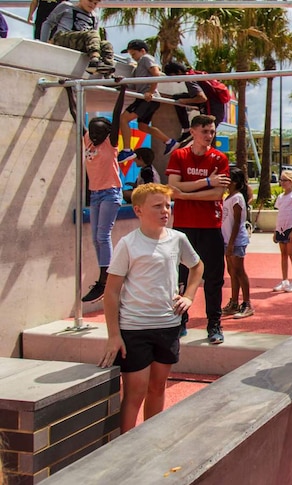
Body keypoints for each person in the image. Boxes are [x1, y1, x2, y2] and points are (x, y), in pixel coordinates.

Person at [98, 183, 203, 433]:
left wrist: (188, 296)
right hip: (134, 328)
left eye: (168, 205)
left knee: (157, 388)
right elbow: (111, 292)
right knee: (135, 392)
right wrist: (114, 335)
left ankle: (149, 441)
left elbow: (197, 267)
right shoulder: (128, 243)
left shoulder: (178, 239)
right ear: (138, 210)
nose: (165, 211)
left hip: (167, 325)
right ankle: (124, 447)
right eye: (157, 206)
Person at [166, 114, 229, 345]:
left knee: (214, 279)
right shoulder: (179, 155)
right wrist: (206, 182)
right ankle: (180, 321)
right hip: (183, 228)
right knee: (180, 277)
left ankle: (214, 324)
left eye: (212, 132)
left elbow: (217, 195)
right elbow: (172, 188)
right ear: (192, 132)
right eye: (205, 132)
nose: (209, 136)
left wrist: (186, 192)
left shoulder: (219, 158)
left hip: (211, 226)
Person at [81, 85, 127, 303]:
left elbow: (116, 115)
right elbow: (75, 117)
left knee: (102, 235)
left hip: (110, 192)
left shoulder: (111, 143)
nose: (96, 136)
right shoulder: (88, 140)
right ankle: (102, 279)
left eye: (100, 133)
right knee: (94, 238)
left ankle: (104, 279)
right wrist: (70, 93)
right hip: (95, 193)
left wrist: (122, 89)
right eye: (93, 132)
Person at [118, 39, 178, 163]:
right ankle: (168, 141)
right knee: (142, 126)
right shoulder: (137, 68)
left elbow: (156, 74)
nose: (132, 57)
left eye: (134, 54)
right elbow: (134, 86)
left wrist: (151, 91)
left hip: (147, 98)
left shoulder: (146, 58)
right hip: (147, 98)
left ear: (142, 51)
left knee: (123, 119)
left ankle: (127, 150)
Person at [162, 61, 225, 147]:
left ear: (178, 72)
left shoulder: (189, 79)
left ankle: (187, 130)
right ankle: (187, 130)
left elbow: (202, 98)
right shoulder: (193, 74)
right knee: (177, 98)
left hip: (212, 109)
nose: (173, 80)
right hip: (215, 107)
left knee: (208, 136)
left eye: (172, 76)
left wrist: (184, 101)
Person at [40, 0, 113, 73]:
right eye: (90, 1)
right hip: (63, 37)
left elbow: (95, 40)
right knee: (92, 34)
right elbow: (48, 23)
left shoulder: (95, 16)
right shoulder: (66, 6)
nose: (92, 4)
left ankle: (108, 71)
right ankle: (94, 59)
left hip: (81, 41)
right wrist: (44, 43)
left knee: (107, 45)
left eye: (95, 3)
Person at [221, 167, 254, 318]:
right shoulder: (229, 196)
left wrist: (232, 243)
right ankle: (234, 302)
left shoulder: (237, 198)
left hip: (235, 240)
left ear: (234, 182)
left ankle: (247, 303)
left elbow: (236, 222)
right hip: (228, 239)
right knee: (232, 271)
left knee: (239, 271)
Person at [272, 170, 292, 292]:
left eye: (285, 180)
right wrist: (276, 230)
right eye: (281, 180)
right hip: (281, 228)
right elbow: (280, 214)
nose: (282, 182)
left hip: (291, 227)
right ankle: (285, 280)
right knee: (283, 254)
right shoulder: (280, 197)